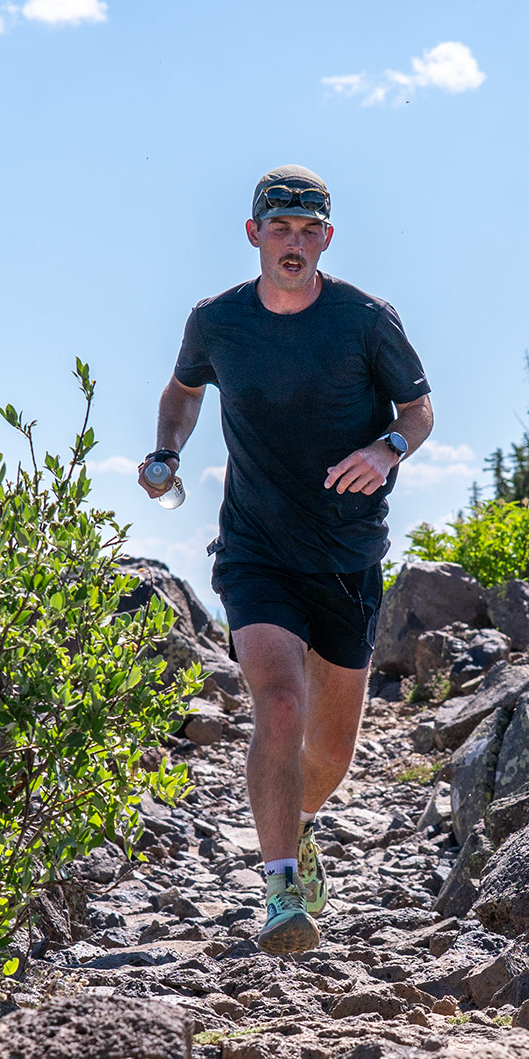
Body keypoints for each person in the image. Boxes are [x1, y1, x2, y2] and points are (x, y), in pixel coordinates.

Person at [138, 165, 434, 954]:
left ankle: (300, 826)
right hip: (255, 550)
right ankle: (277, 892)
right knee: (276, 702)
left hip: (345, 555)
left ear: (326, 238)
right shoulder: (218, 321)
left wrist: (388, 447)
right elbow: (185, 390)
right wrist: (166, 448)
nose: (294, 243)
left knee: (331, 753)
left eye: (309, 231)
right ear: (254, 235)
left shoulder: (366, 321)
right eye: (281, 229)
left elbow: (419, 409)